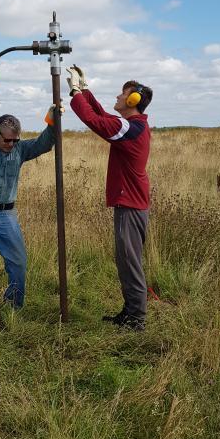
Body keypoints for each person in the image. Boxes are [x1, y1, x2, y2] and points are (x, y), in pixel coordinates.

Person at [0, 60, 57, 309]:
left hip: (7, 215)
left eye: (15, 140)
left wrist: (52, 123)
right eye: (7, 140)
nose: (12, 144)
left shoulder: (20, 149)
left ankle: (13, 307)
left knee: (18, 262)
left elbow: (44, 144)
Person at [67, 65, 152, 331]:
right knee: (126, 261)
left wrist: (74, 92)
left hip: (131, 206)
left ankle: (136, 319)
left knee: (130, 263)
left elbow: (95, 121)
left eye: (122, 94)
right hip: (131, 204)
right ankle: (130, 312)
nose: (117, 96)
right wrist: (85, 90)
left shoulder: (131, 129)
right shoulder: (132, 126)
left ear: (133, 100)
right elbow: (103, 116)